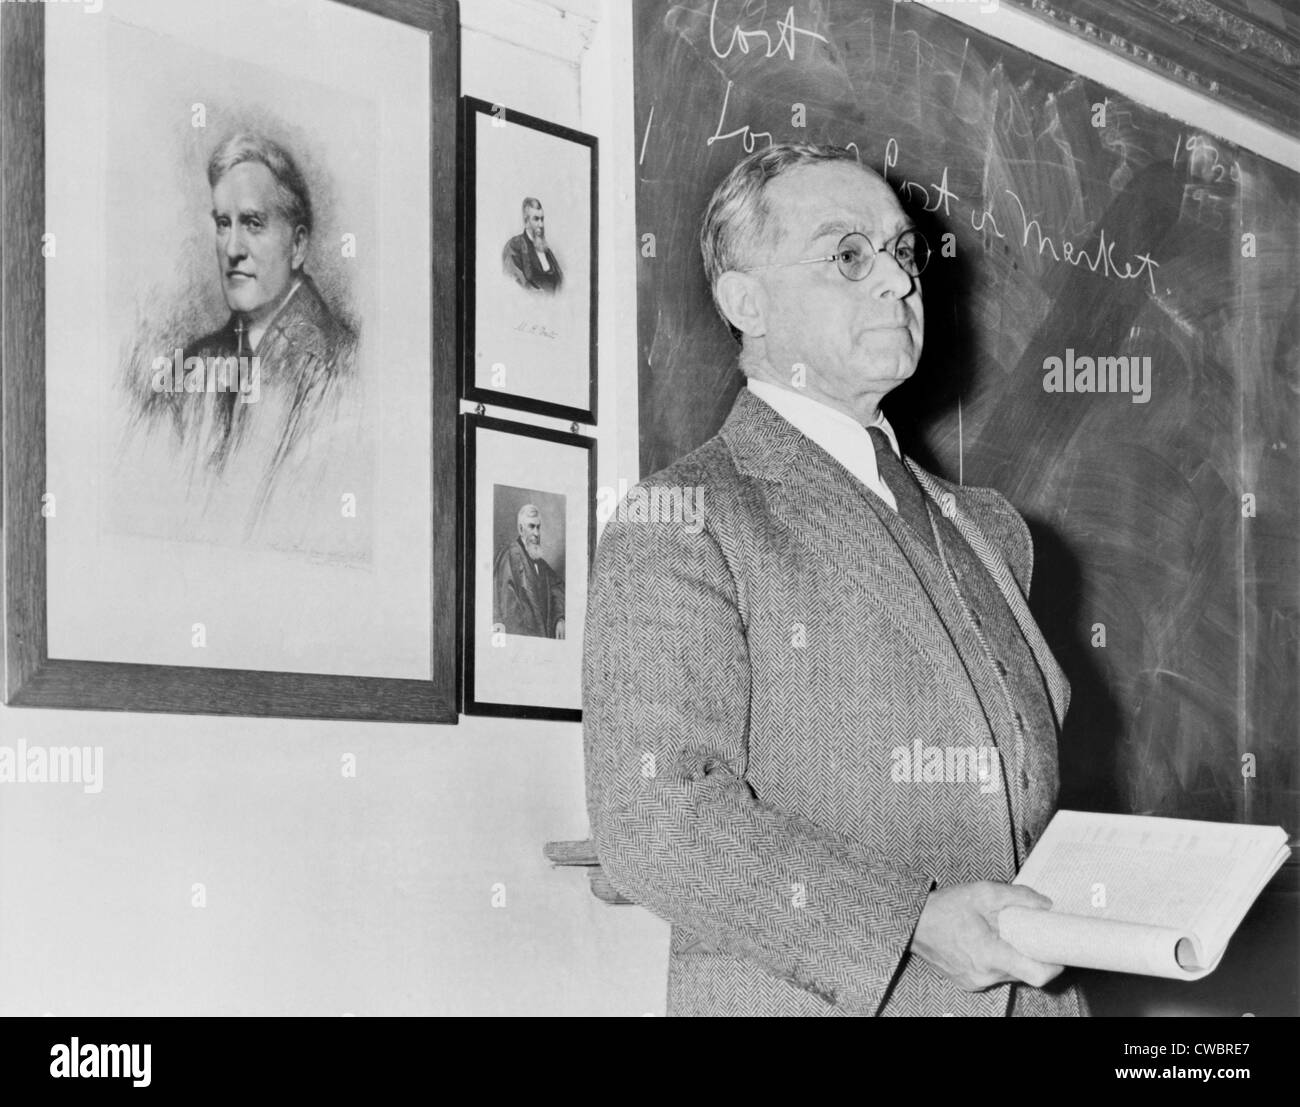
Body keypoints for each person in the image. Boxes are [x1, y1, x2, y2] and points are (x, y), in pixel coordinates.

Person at [583, 143, 1085, 1017]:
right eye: (849, 255)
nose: (896, 282)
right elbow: (655, 821)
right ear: (747, 301)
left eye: (901, 253)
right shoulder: (681, 521)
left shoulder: (993, 529)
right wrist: (914, 920)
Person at [493, 504, 566, 639]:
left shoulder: (540, 563)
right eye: (531, 527)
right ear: (521, 529)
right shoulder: (510, 557)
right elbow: (509, 616)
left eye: (538, 527)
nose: (536, 533)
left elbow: (557, 587)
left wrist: (560, 618)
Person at [502, 198, 563, 293]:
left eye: (542, 219)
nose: (541, 225)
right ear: (526, 222)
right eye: (536, 219)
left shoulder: (546, 250)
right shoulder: (514, 246)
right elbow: (519, 284)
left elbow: (560, 281)